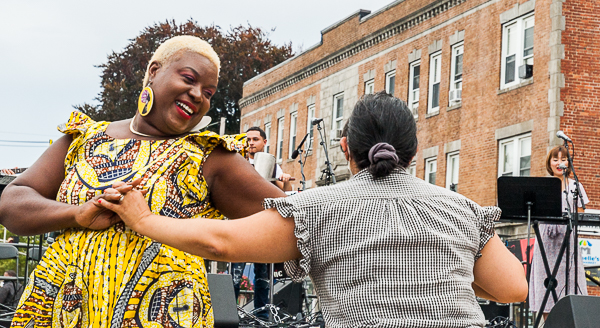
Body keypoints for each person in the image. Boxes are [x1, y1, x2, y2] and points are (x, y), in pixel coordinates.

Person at [101, 92, 528, 328]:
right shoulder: (460, 209)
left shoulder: (318, 209)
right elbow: (514, 289)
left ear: (346, 148)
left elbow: (221, 241)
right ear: (412, 151)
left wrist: (143, 220)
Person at [0, 35, 285, 327]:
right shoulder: (84, 140)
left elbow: (302, 220)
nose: (199, 95)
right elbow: (12, 202)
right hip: (60, 312)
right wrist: (75, 213)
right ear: (154, 71)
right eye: (189, 78)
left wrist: (172, 229)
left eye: (209, 92)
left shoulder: (209, 157)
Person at [231, 126, 291, 315]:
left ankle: (262, 315)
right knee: (235, 274)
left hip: (262, 223)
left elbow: (285, 191)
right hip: (240, 223)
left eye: (255, 139)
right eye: (248, 139)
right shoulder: (236, 161)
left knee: (262, 274)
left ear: (264, 142)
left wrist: (286, 179)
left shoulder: (272, 164)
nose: (250, 143)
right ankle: (230, 315)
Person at [529, 146, 589, 318]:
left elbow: (582, 212)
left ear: (568, 163)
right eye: (555, 159)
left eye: (563, 159)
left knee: (570, 281)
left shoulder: (575, 185)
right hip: (545, 240)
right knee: (545, 283)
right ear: (549, 162)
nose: (559, 163)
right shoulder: (543, 185)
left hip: (567, 238)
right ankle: (547, 321)